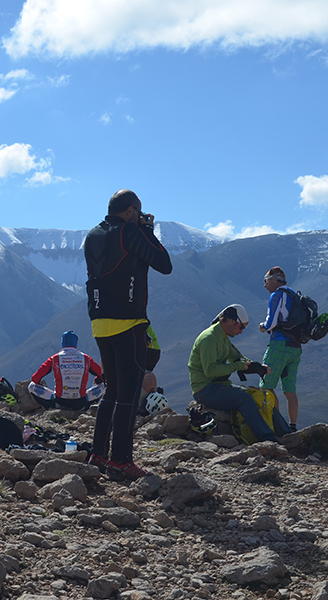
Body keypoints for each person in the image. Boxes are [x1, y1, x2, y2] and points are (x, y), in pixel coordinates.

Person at [84, 189, 173, 480]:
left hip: (98, 321)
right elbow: (164, 264)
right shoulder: (129, 233)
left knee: (112, 389)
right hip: (128, 319)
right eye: (139, 212)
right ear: (131, 211)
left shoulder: (93, 235)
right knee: (129, 393)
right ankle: (121, 461)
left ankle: (98, 454)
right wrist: (147, 231)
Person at [187, 304, 279, 443]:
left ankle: (284, 434)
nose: (241, 332)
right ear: (231, 321)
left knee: (259, 396)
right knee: (245, 399)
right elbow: (210, 371)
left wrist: (257, 367)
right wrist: (237, 366)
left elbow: (238, 357)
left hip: (219, 386)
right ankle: (268, 439)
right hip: (205, 389)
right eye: (241, 327)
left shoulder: (222, 337)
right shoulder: (209, 339)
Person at [258, 266, 302, 431]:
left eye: (266, 281)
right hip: (296, 347)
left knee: (266, 385)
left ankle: (277, 426)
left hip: (279, 345)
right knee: (290, 389)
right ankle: (293, 426)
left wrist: (262, 326)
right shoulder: (294, 295)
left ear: (275, 280)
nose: (265, 286)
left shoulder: (277, 295)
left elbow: (272, 323)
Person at [28, 330, 105, 411]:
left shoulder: (54, 359)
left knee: (31, 386)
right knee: (104, 385)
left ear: (62, 342)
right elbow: (102, 375)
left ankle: (52, 408)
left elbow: (35, 378)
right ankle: (87, 408)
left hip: (59, 402)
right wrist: (97, 380)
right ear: (76, 342)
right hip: (81, 403)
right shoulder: (87, 359)